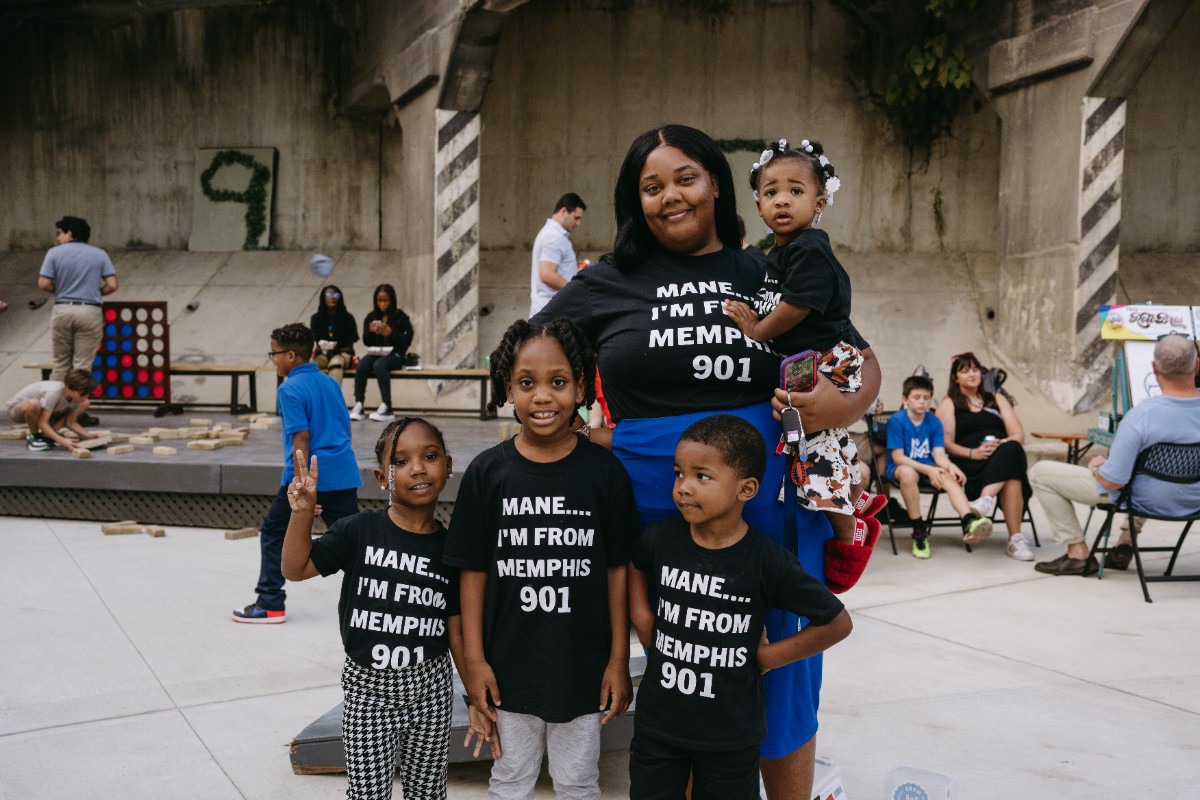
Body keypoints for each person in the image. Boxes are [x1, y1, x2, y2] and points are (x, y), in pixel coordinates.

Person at [532, 124, 882, 799]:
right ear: (635, 201)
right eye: (652, 186)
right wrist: (576, 432)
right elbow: (532, 357)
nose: (671, 197)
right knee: (684, 676)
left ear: (718, 184)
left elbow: (858, 356)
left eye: (685, 178)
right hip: (654, 523)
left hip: (769, 512)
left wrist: (845, 406)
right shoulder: (606, 281)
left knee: (781, 678)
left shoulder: (768, 270)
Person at [443, 317, 638, 800]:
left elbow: (618, 571)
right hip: (507, 669)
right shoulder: (488, 473)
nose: (543, 397)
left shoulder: (604, 473)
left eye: (558, 382)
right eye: (527, 383)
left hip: (582, 667)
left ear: (579, 388)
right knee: (510, 780)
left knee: (577, 782)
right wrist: (474, 662)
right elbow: (471, 572)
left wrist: (618, 659)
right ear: (507, 387)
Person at [628, 414, 852, 800]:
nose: (683, 487)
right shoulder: (661, 539)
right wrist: (642, 615)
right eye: (679, 473)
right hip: (658, 730)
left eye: (702, 476)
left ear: (745, 489)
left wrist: (769, 657)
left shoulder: (767, 561)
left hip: (732, 737)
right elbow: (635, 563)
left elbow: (836, 622)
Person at [280, 418, 497, 798]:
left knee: (427, 792)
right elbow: (294, 569)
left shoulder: (451, 549)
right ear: (382, 477)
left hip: (430, 688)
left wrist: (474, 697)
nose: (417, 468)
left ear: (448, 465)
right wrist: (302, 513)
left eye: (430, 456)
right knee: (368, 793)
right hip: (368, 690)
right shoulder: (358, 530)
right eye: (400, 461)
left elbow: (456, 629)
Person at [723, 138, 879, 548]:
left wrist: (756, 330)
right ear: (758, 205)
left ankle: (850, 534)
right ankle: (857, 496)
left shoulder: (809, 249)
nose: (782, 201)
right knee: (824, 440)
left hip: (829, 360)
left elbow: (794, 307)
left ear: (820, 203)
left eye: (796, 191)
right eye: (771, 192)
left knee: (816, 446)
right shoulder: (780, 253)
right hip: (814, 360)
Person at [1030, 334, 1200, 575]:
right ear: (1197, 365)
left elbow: (1113, 481)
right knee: (1144, 474)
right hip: (1194, 502)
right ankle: (1126, 542)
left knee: (1040, 472)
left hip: (1146, 500)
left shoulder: (1142, 416)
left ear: (1154, 368)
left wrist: (1098, 466)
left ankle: (1077, 553)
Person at [232, 323, 362, 624]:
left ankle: (270, 603)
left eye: (274, 353)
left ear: (291, 355)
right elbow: (343, 428)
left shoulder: (289, 388)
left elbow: (300, 438)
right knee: (354, 542)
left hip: (309, 476)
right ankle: (379, 600)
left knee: (273, 533)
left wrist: (299, 486)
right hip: (343, 472)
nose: (273, 360)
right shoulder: (330, 382)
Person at [935, 351, 1036, 562]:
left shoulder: (996, 398)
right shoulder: (950, 403)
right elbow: (945, 443)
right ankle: (1015, 539)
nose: (972, 374)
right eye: (964, 371)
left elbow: (1018, 434)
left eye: (975, 369)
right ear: (955, 378)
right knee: (1012, 466)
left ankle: (986, 501)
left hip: (999, 457)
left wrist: (1001, 443)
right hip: (970, 465)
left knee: (1012, 449)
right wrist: (973, 453)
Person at [886, 375, 993, 559]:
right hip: (902, 467)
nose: (922, 402)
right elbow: (898, 457)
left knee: (950, 478)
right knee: (908, 474)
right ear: (905, 399)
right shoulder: (897, 420)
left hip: (930, 467)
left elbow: (939, 455)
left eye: (926, 398)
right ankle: (919, 531)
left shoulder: (934, 422)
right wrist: (929, 469)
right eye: (916, 397)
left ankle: (968, 521)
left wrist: (950, 466)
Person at [38, 215, 118, 426]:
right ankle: (76, 415)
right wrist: (94, 291)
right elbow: (113, 284)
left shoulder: (54, 254)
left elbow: (44, 283)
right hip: (89, 310)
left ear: (69, 233)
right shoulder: (100, 254)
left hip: (63, 309)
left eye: (60, 233)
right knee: (82, 366)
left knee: (61, 364)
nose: (58, 239)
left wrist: (61, 290)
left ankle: (51, 411)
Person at [350, 284, 414, 423]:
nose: (382, 304)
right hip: (376, 353)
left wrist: (391, 334)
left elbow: (406, 341)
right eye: (379, 301)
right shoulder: (371, 317)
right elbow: (366, 341)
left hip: (395, 355)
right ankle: (359, 404)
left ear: (392, 301)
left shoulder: (400, 317)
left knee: (380, 365)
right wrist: (371, 332)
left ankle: (387, 406)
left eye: (386, 301)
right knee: (362, 364)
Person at [6, 369, 99, 452]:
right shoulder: (54, 393)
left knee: (85, 403)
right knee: (34, 404)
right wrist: (63, 441)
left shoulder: (76, 398)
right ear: (68, 387)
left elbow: (71, 422)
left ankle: (46, 436)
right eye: (82, 394)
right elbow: (42, 423)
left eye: (88, 394)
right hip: (17, 409)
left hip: (45, 411)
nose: (85, 397)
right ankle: (34, 437)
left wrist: (88, 436)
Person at [528, 193, 587, 318]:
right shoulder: (554, 237)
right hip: (551, 312)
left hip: (550, 310)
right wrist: (575, 290)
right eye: (576, 218)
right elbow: (547, 275)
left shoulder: (553, 234)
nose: (578, 223)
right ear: (564, 211)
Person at [309, 284, 358, 384]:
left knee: (336, 363)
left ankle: (332, 397)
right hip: (324, 354)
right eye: (328, 294)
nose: (332, 297)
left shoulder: (347, 318)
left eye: (336, 295)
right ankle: (311, 396)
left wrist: (338, 349)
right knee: (312, 366)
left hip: (343, 354)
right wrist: (320, 349)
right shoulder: (316, 319)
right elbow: (318, 343)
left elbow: (350, 347)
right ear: (323, 298)